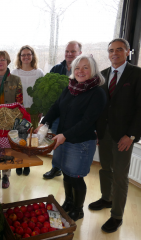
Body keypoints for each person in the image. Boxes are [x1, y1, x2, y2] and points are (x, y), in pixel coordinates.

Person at [35, 55, 107, 222]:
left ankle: (78, 209)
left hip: (80, 142)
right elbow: (56, 107)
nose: (80, 71)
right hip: (63, 139)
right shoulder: (70, 87)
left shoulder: (97, 93)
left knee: (76, 177)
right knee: (66, 174)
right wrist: (44, 122)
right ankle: (68, 202)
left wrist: (65, 135)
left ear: (93, 70)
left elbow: (87, 121)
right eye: (77, 68)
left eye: (85, 67)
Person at [88, 38, 141, 233]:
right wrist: (96, 132)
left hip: (124, 137)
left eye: (119, 50)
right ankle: (106, 198)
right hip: (104, 134)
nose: (114, 53)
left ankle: (117, 216)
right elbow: (100, 107)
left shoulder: (137, 74)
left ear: (128, 52)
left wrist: (132, 135)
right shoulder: (102, 75)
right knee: (105, 169)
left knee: (120, 176)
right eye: (111, 50)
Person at [43, 41, 83, 180]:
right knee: (57, 141)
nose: (69, 54)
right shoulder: (56, 68)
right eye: (67, 51)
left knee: (71, 142)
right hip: (57, 114)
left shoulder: (82, 71)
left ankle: (69, 170)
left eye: (73, 51)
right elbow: (46, 90)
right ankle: (56, 168)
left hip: (75, 116)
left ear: (80, 53)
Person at [0, 50, 23, 189]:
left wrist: (17, 122)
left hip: (8, 120)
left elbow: (19, 102)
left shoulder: (15, 79)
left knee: (7, 148)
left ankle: (6, 175)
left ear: (8, 62)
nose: (0, 62)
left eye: (3, 60)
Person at [11, 45, 45, 177]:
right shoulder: (14, 73)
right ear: (20, 57)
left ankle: (27, 164)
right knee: (19, 138)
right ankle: (19, 163)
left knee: (31, 138)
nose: (26, 57)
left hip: (33, 110)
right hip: (18, 110)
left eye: (28, 54)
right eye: (23, 55)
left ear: (32, 56)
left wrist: (41, 109)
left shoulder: (39, 72)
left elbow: (42, 93)